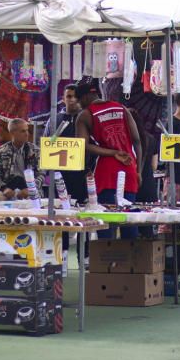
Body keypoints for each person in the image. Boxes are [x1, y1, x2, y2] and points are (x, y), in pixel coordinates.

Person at [75, 78, 145, 239]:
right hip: (129, 169)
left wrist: (112, 153)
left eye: (79, 101)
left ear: (84, 97)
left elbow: (82, 145)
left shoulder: (85, 115)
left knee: (106, 223)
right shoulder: (122, 108)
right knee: (128, 220)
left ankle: (106, 261)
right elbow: (137, 141)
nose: (79, 105)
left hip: (106, 172)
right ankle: (133, 261)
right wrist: (138, 171)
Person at [56, 84, 88, 204]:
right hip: (60, 174)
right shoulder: (55, 119)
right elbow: (46, 142)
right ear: (63, 98)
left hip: (82, 173)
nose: (73, 100)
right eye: (69, 96)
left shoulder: (87, 117)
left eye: (76, 97)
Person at [0, 118, 35, 201]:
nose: (27, 134)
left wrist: (29, 189)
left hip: (29, 188)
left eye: (27, 130)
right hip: (8, 188)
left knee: (32, 199)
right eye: (23, 131)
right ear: (12, 133)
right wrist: (4, 188)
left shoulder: (35, 151)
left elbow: (40, 175)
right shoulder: (1, 151)